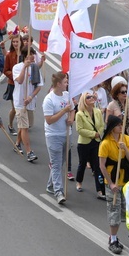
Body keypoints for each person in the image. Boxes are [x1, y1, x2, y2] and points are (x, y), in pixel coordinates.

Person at [99, 114, 129, 254]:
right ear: (112, 127)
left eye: (122, 125)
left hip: (126, 180)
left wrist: (124, 148)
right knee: (114, 209)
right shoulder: (105, 143)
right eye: (118, 125)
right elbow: (102, 165)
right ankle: (113, 238)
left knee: (128, 209)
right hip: (113, 180)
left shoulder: (127, 140)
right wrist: (110, 183)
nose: (121, 127)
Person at [43, 72, 73, 205]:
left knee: (61, 162)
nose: (67, 84)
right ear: (58, 84)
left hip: (66, 133)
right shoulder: (49, 100)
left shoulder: (67, 96)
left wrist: (71, 118)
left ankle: (50, 185)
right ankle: (59, 192)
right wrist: (63, 112)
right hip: (53, 135)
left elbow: (72, 109)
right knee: (56, 164)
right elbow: (49, 120)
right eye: (65, 82)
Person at [12, 47, 42, 162]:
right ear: (26, 56)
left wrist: (31, 97)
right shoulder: (17, 67)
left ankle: (18, 143)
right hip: (20, 102)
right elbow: (19, 81)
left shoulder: (35, 68)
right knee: (24, 127)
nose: (34, 57)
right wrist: (24, 67)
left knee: (25, 125)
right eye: (32, 55)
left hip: (30, 102)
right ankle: (29, 151)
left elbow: (39, 86)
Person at [75, 91, 105, 199]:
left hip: (96, 142)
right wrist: (93, 134)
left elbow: (101, 125)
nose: (91, 98)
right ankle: (79, 182)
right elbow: (79, 129)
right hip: (84, 143)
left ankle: (100, 190)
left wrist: (98, 133)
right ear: (84, 101)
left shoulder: (97, 112)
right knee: (82, 164)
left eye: (92, 96)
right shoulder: (79, 114)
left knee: (97, 166)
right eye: (88, 97)